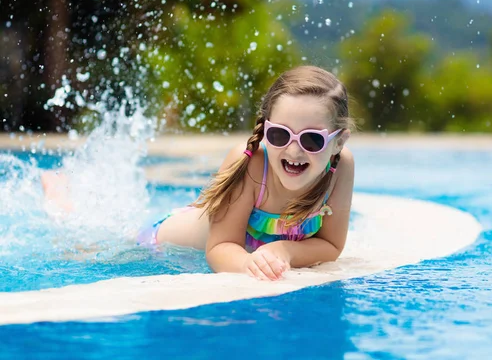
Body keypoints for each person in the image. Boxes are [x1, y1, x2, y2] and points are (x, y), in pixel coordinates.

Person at [42, 65, 355, 281]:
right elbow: (219, 249)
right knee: (88, 249)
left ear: (338, 141)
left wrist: (283, 249)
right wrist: (251, 263)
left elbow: (331, 245)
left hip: (215, 238)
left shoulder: (341, 168)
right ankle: (61, 200)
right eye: (279, 135)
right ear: (265, 130)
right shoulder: (251, 164)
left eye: (312, 139)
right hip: (160, 241)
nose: (293, 150)